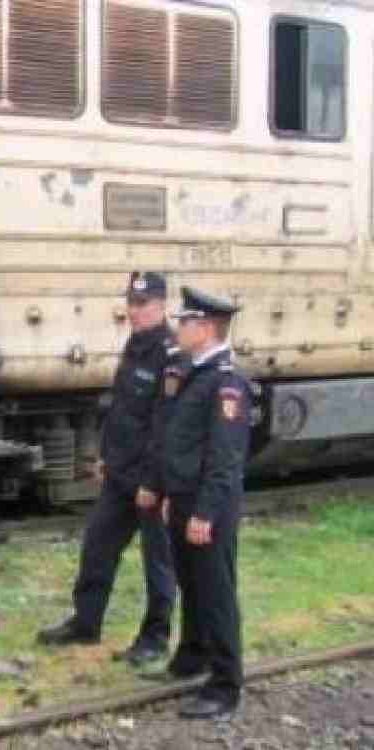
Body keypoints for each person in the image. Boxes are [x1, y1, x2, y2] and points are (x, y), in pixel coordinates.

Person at [37, 272, 177, 665]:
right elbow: (121, 411)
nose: (135, 311)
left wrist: (153, 482)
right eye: (131, 303)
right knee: (97, 547)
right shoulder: (135, 345)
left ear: (162, 305)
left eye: (143, 304)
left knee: (158, 562)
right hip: (120, 475)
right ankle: (85, 623)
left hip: (150, 481)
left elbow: (165, 428)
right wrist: (105, 456)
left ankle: (155, 637)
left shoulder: (170, 354)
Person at [161, 287, 250, 719]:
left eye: (186, 321)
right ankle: (192, 657)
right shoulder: (193, 371)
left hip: (207, 506)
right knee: (191, 584)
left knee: (215, 592)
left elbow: (225, 458)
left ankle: (225, 684)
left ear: (208, 328)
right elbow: (180, 443)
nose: (179, 328)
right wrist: (173, 497)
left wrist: (204, 512)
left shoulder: (226, 383)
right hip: (184, 499)